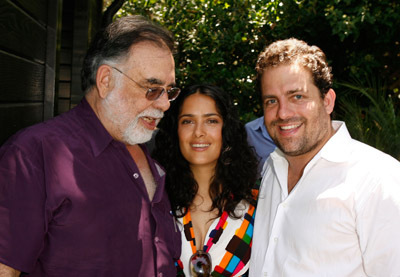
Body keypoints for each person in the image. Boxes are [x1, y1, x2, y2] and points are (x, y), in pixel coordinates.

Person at [0, 15, 181, 276]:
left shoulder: (146, 150)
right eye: (152, 88)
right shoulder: (32, 155)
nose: (165, 104)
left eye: (169, 91)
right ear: (106, 80)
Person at [249, 38, 400, 276]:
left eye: (297, 96)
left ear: (327, 101)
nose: (283, 113)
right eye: (271, 101)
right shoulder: (272, 168)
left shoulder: (377, 179)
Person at [153, 84, 259, 276]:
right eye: (187, 121)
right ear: (175, 130)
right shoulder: (156, 202)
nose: (199, 132)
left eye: (211, 121)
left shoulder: (257, 207)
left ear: (227, 130)